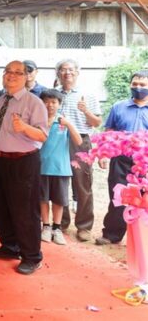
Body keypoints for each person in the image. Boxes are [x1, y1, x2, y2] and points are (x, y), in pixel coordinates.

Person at [0, 60, 48, 275]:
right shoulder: (1, 100)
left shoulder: (34, 102)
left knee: (25, 211)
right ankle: (9, 246)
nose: (12, 75)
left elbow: (42, 135)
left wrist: (24, 127)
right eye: (8, 71)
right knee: (2, 206)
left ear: (26, 76)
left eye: (18, 72)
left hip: (23, 162)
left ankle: (32, 256)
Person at [95, 70, 148, 245]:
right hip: (121, 159)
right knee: (118, 196)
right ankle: (111, 234)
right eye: (135, 84)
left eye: (143, 85)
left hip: (145, 161)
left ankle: (141, 239)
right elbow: (109, 131)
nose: (138, 88)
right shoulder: (119, 107)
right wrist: (103, 153)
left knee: (144, 199)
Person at [55, 58, 102, 242]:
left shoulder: (87, 94)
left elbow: (97, 123)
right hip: (58, 140)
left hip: (80, 141)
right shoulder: (54, 94)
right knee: (59, 182)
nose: (67, 73)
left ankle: (84, 226)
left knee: (82, 183)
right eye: (63, 70)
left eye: (71, 69)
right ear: (58, 73)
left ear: (77, 72)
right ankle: (61, 223)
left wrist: (86, 111)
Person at [39, 89, 82, 246]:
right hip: (40, 167)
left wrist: (68, 124)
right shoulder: (37, 121)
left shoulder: (64, 121)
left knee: (59, 200)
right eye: (46, 102)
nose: (50, 105)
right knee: (42, 199)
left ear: (59, 104)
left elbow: (79, 141)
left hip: (60, 168)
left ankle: (57, 228)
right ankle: (46, 226)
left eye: (54, 102)